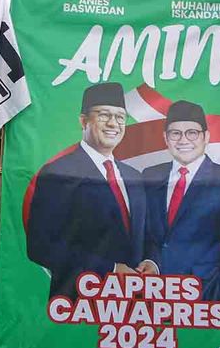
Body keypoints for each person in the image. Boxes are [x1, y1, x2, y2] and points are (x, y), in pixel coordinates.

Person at [24, 82, 153, 300]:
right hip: (80, 299)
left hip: (134, 304)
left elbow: (146, 233)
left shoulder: (134, 176)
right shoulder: (58, 172)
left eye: (120, 117)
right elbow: (41, 246)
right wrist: (110, 269)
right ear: (83, 121)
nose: (114, 123)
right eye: (104, 115)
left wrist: (150, 262)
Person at [142, 101, 220, 306]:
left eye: (192, 132)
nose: (183, 140)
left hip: (203, 293)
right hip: (152, 293)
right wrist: (150, 262)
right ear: (165, 139)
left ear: (206, 137)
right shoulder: (150, 175)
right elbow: (144, 232)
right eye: (175, 133)